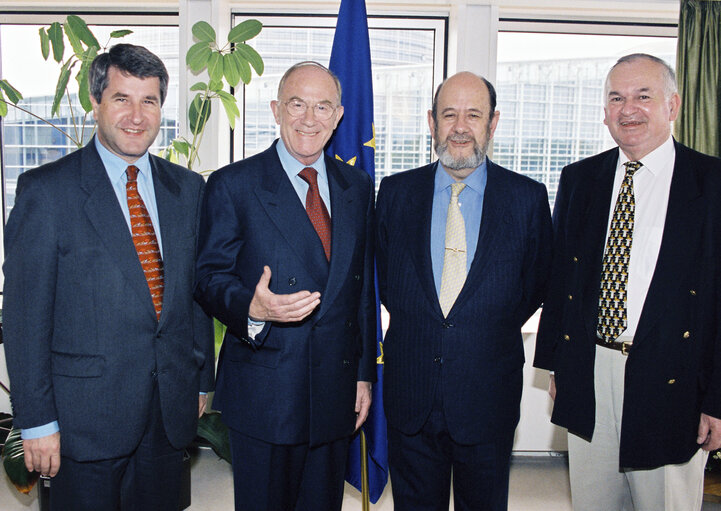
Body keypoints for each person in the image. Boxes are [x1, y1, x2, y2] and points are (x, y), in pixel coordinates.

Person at [2, 43, 215, 510]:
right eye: (122, 99)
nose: (137, 116)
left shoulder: (188, 189)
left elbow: (192, 293)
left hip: (167, 414)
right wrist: (37, 422)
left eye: (150, 101)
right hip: (83, 423)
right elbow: (23, 318)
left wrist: (200, 379)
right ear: (96, 102)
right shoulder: (47, 192)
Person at [535, 53, 721, 510]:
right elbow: (563, 281)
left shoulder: (712, 182)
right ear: (604, 111)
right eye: (616, 98)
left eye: (643, 96)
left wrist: (717, 397)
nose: (628, 109)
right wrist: (560, 365)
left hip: (672, 378)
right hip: (590, 372)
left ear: (673, 105)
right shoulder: (580, 179)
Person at [193, 61, 376, 511]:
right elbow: (207, 277)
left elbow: (360, 290)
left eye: (322, 106)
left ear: (338, 116)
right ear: (276, 109)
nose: (309, 118)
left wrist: (363, 372)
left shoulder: (358, 186)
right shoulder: (234, 184)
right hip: (266, 394)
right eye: (297, 104)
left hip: (335, 390)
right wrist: (253, 309)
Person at [376, 71, 553, 511]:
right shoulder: (394, 193)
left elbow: (535, 285)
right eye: (448, 114)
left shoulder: (527, 199)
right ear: (431, 121)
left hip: (487, 394)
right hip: (410, 393)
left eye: (473, 114)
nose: (460, 126)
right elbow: (384, 279)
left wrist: (482, 322)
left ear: (493, 124)